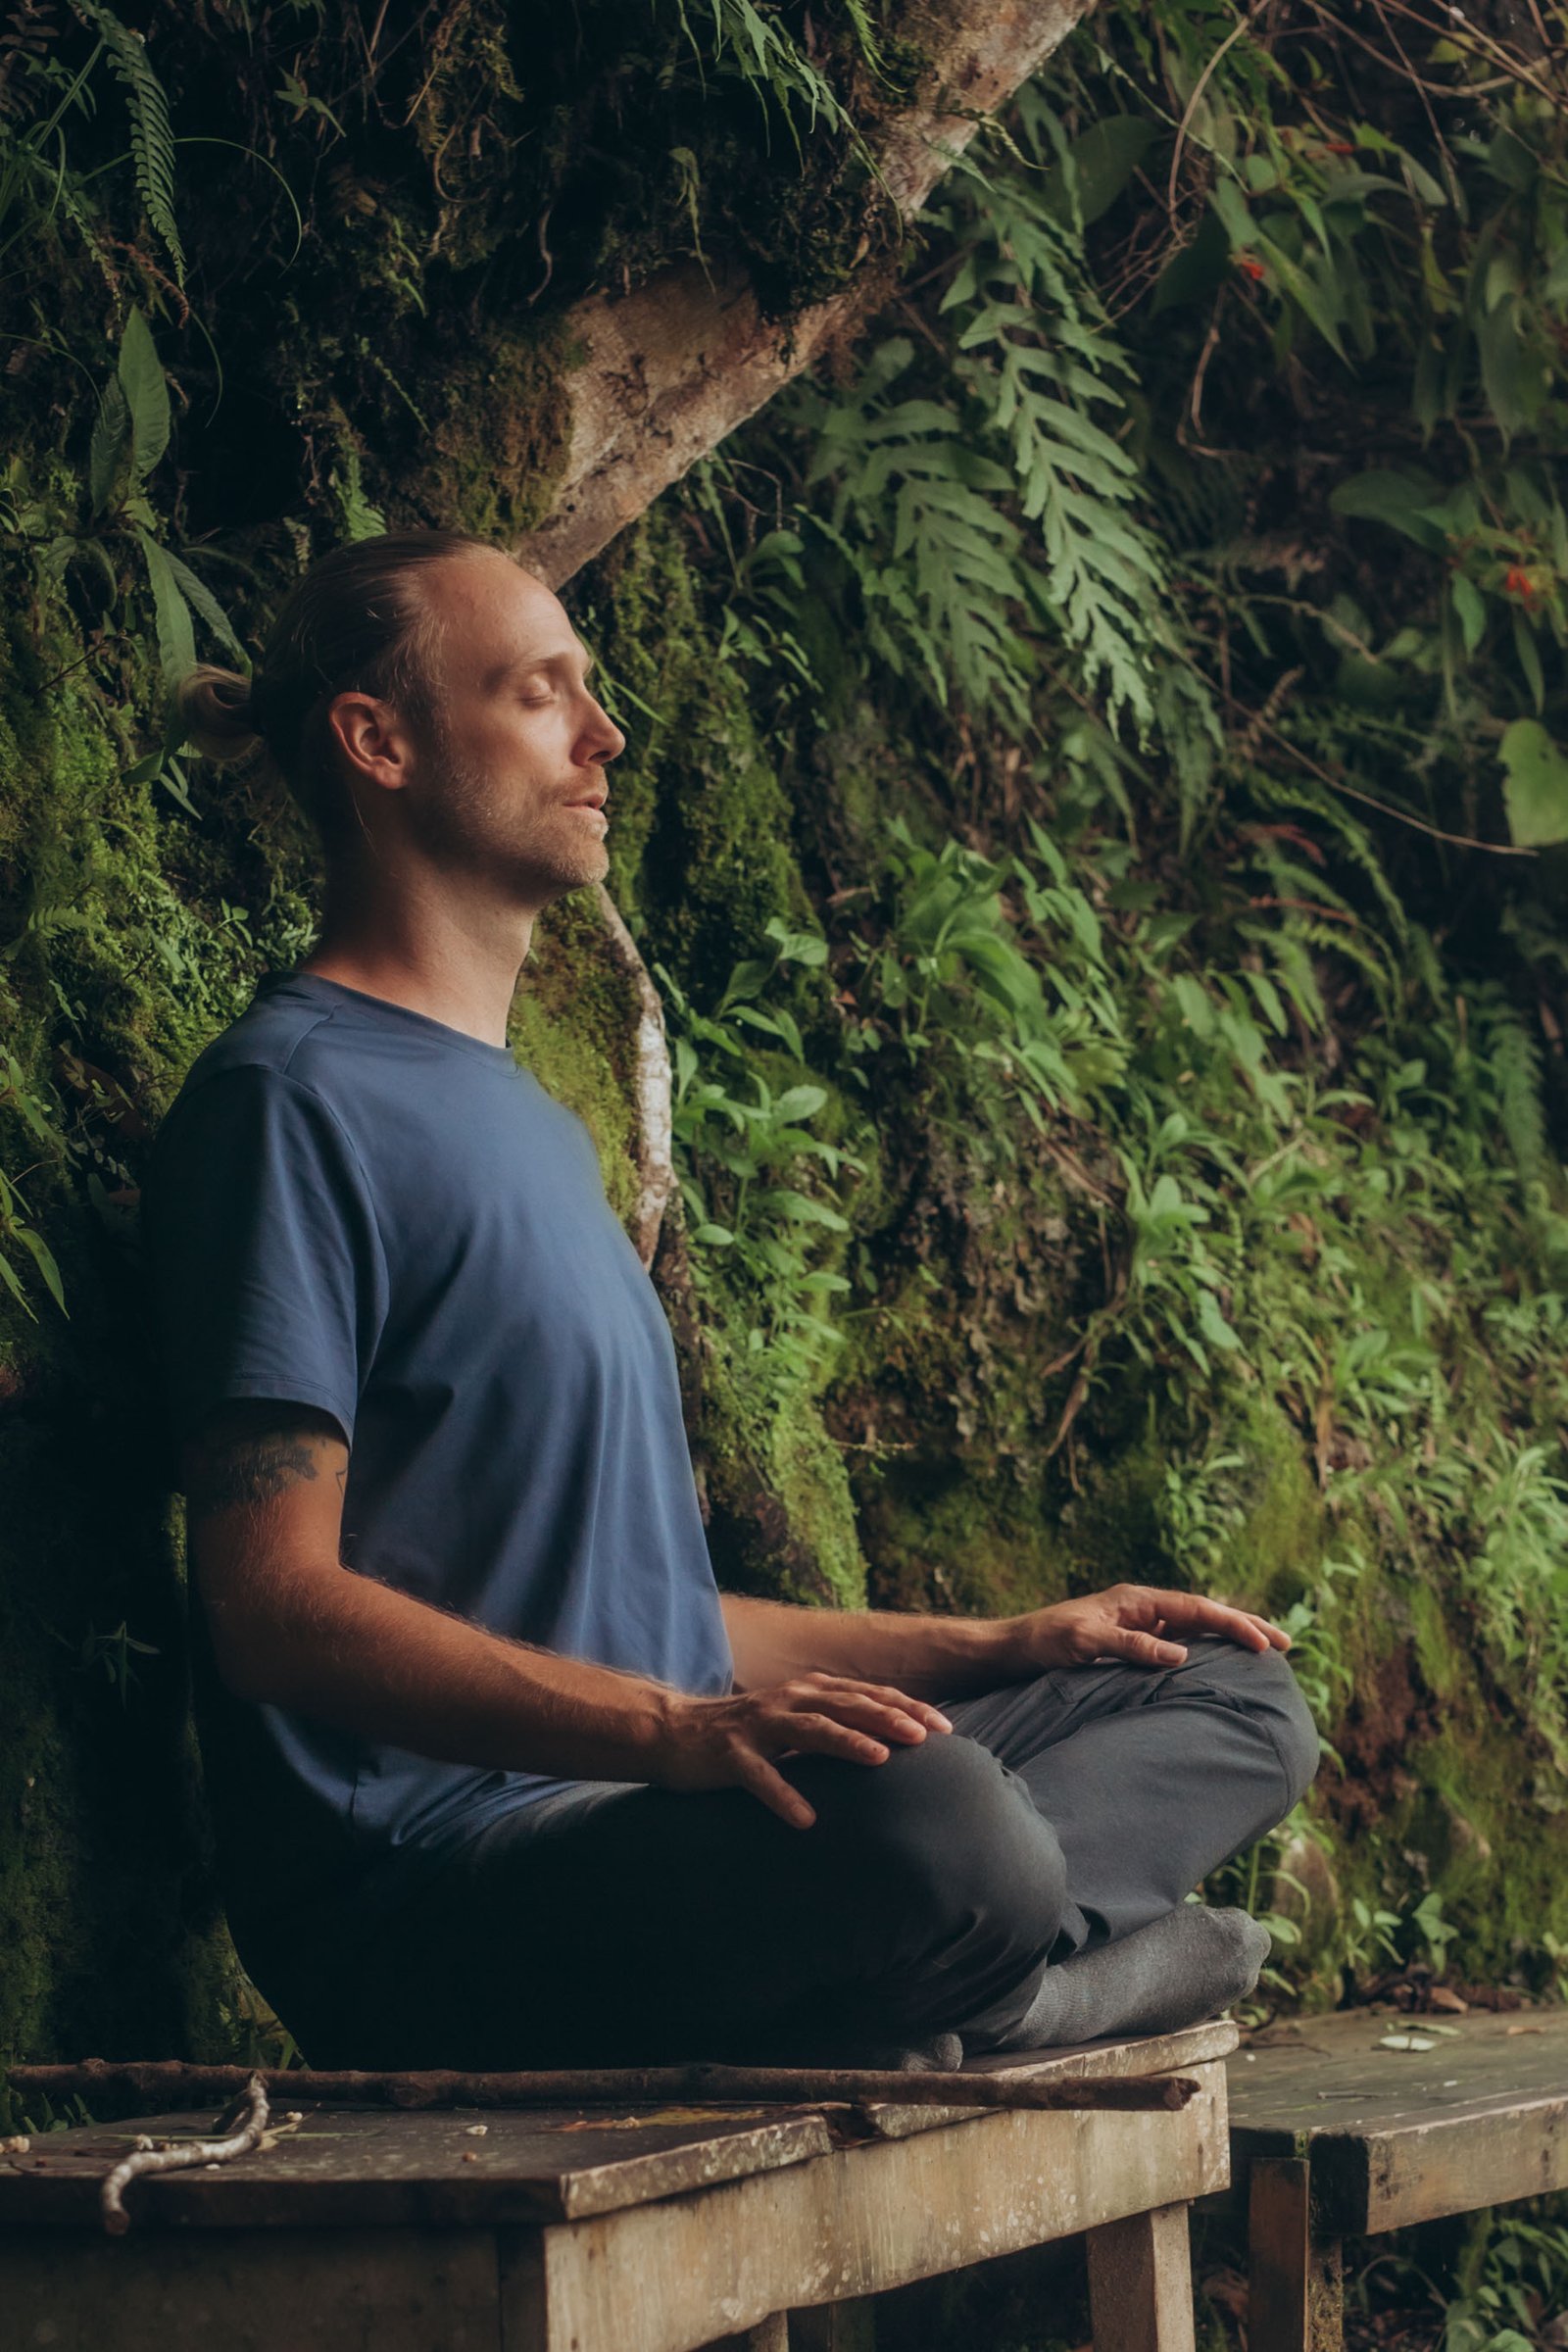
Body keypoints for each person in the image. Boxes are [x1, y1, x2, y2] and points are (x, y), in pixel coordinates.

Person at [144, 527, 1321, 2072]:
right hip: (440, 1898)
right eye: (540, 692)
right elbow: (272, 1612)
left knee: (1229, 1691)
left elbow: (644, 1620)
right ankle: (1016, 1982)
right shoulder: (286, 1101)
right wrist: (667, 1735)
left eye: (593, 691)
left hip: (675, 1817)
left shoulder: (541, 1128)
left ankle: (942, 1981)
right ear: (378, 740)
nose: (605, 732)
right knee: (940, 1823)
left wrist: (993, 1642)